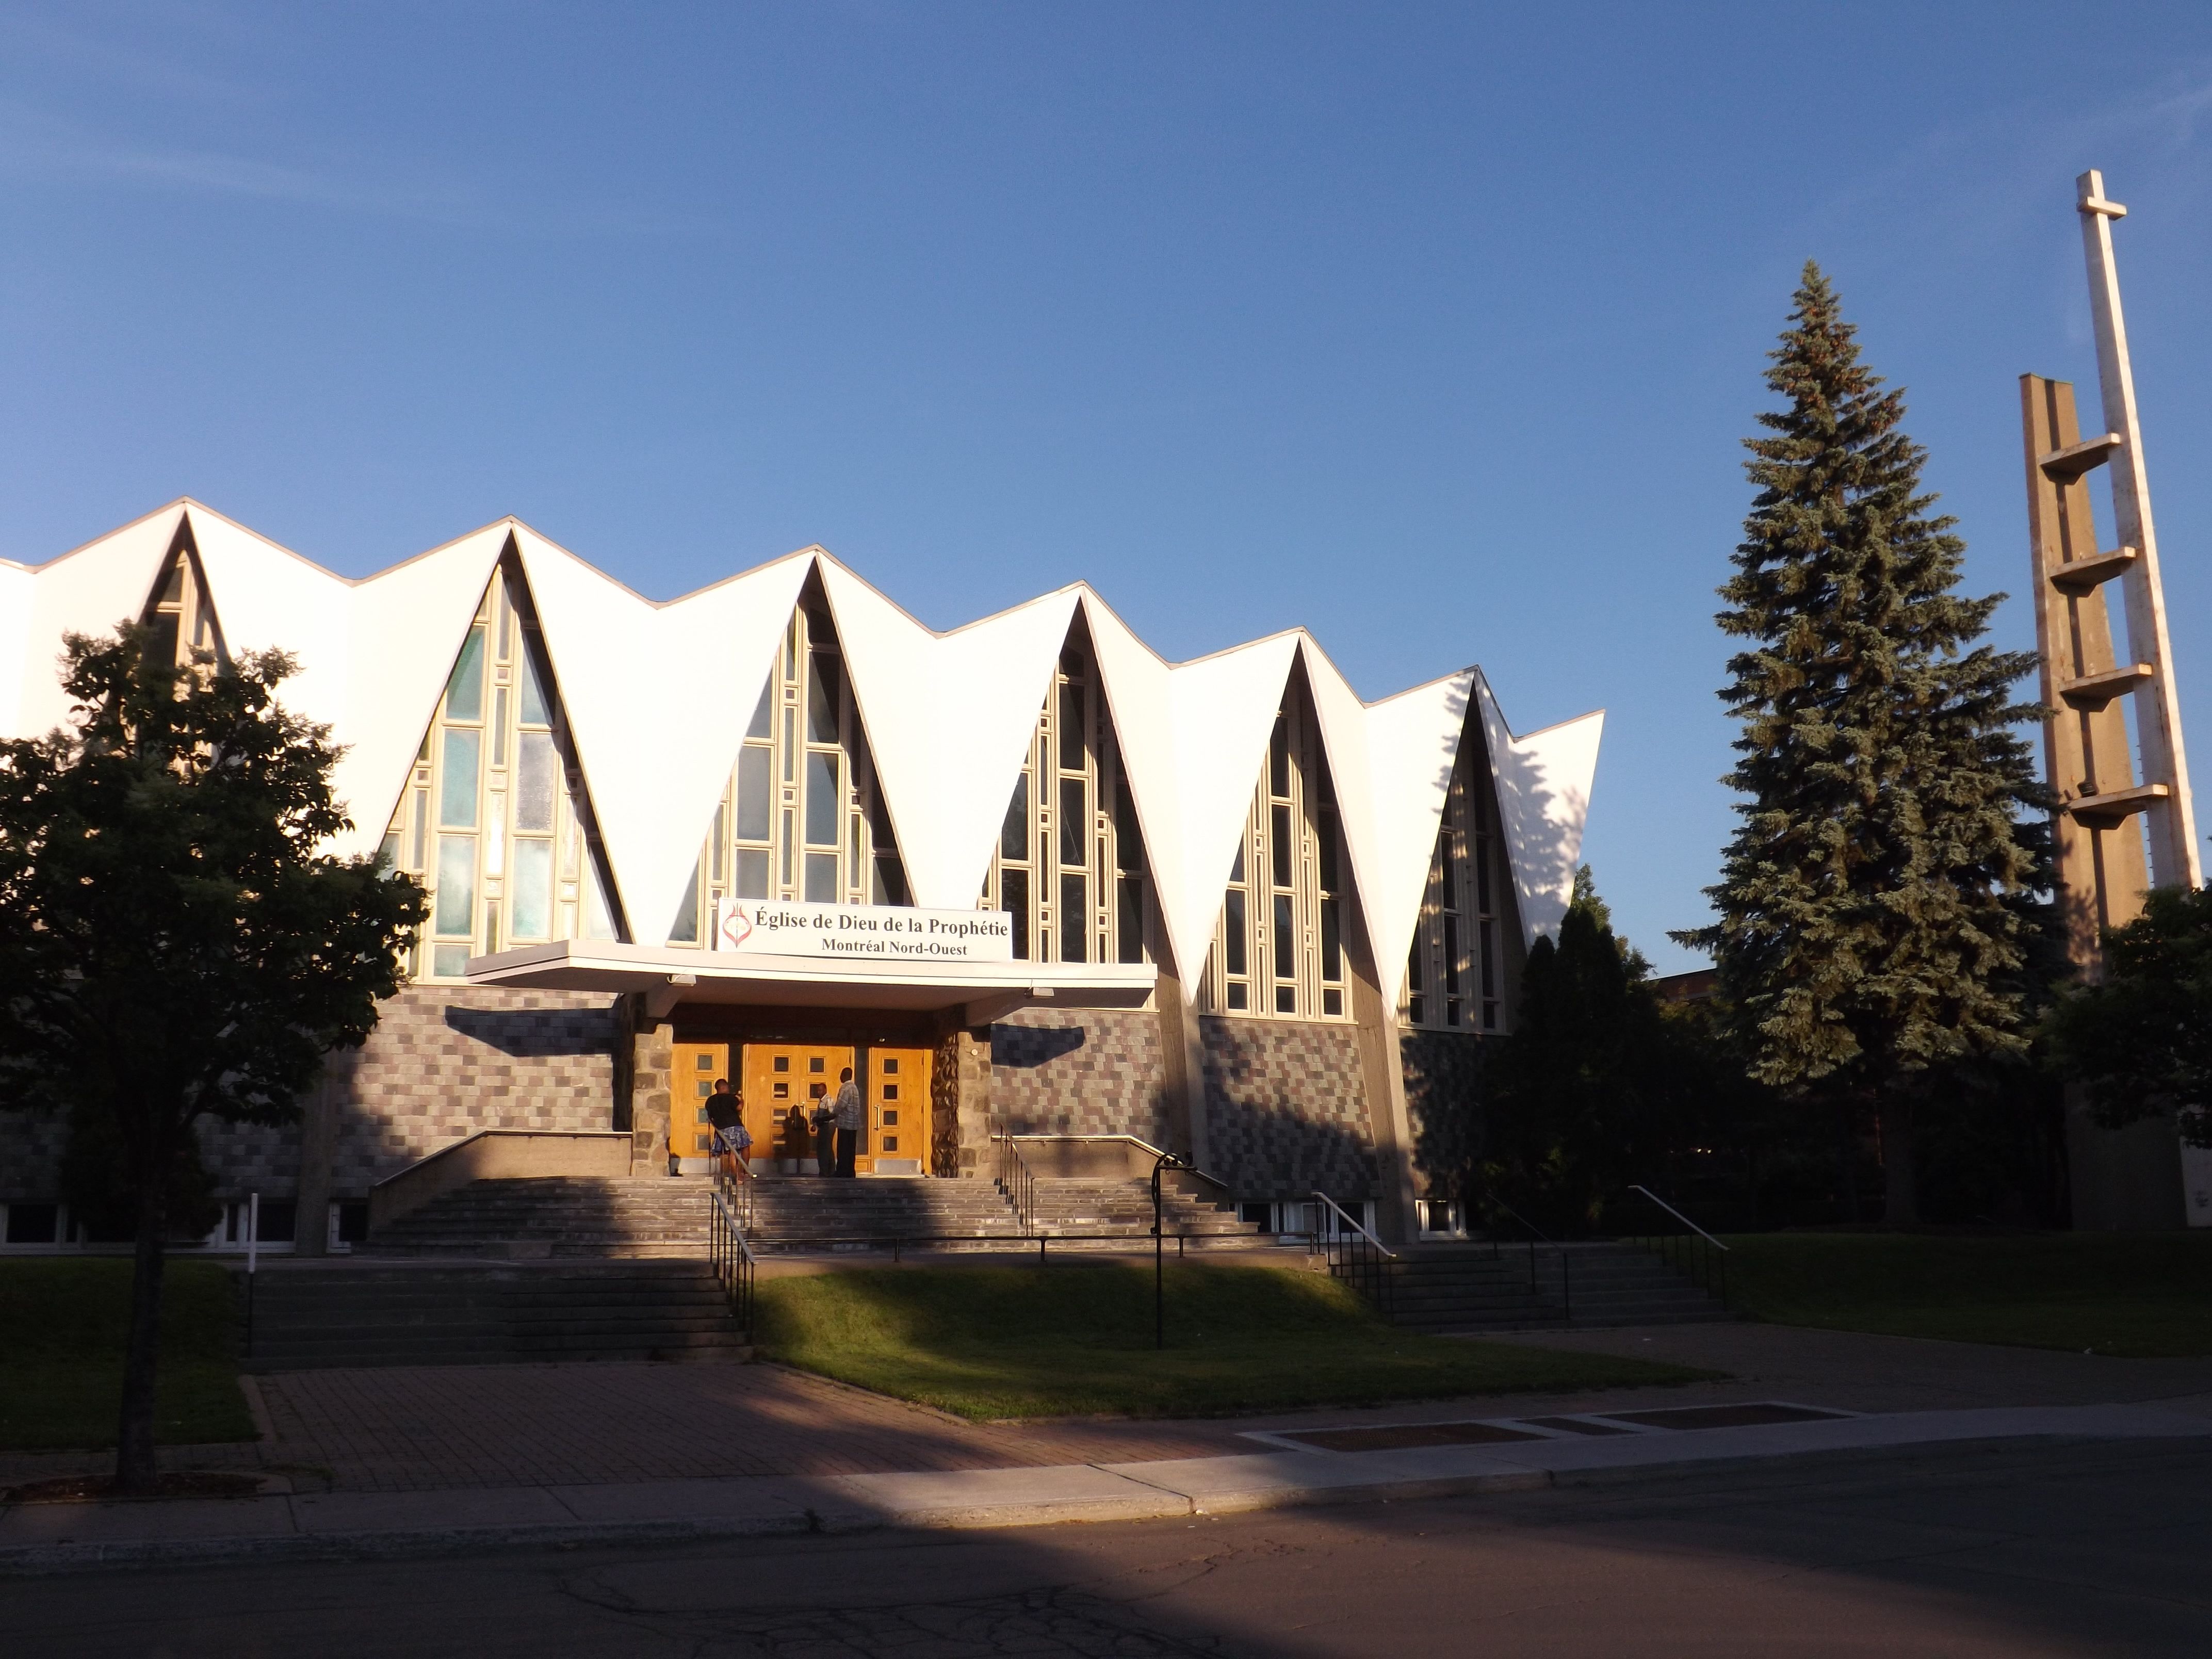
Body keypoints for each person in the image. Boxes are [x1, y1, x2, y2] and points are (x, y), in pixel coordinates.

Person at [704, 1078, 751, 1182]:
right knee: (745, 1146)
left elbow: (710, 1115)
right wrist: (741, 1101)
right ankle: (743, 1172)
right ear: (725, 1087)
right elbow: (739, 1108)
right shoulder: (730, 1098)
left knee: (731, 1152)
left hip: (721, 1128)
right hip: (735, 1126)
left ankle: (738, 1176)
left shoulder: (710, 1101)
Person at [831, 1066, 863, 1178]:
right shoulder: (855, 1088)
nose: (840, 1077)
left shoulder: (845, 1088)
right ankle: (850, 1171)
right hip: (854, 1124)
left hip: (845, 1124)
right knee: (851, 1149)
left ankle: (841, 1171)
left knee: (843, 1149)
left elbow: (841, 1104)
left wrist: (833, 1114)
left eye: (841, 1074)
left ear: (845, 1075)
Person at [809, 1094, 837, 1177]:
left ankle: (827, 1171)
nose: (818, 1092)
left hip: (828, 1126)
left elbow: (833, 1115)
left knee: (826, 1149)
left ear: (825, 1090)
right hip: (822, 1126)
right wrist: (815, 1121)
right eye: (818, 1091)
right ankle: (826, 1171)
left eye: (820, 1090)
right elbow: (818, 1115)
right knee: (824, 1149)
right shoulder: (821, 1102)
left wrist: (821, 1119)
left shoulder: (829, 1100)